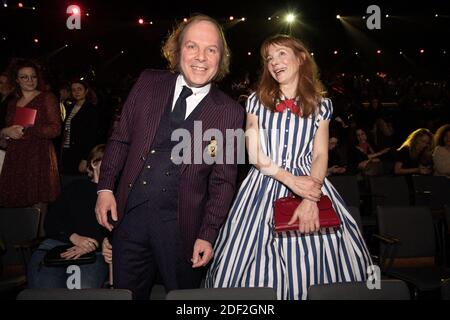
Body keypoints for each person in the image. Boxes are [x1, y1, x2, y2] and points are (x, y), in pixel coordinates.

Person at [205, 34, 372, 300]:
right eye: (269, 58)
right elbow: (254, 152)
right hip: (264, 182)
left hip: (311, 182)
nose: (274, 62)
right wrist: (291, 181)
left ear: (301, 57)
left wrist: (310, 195)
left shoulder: (322, 104)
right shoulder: (256, 100)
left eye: (281, 53)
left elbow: (319, 155)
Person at [95, 14, 244, 300]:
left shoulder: (231, 113)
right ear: (177, 51)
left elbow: (224, 182)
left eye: (211, 49)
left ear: (221, 58)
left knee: (184, 301)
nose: (201, 57)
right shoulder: (148, 82)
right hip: (130, 221)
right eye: (192, 46)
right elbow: (121, 138)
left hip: (182, 231)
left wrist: (208, 233)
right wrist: (104, 188)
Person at [27, 144, 109, 288]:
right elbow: (51, 222)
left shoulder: (117, 194)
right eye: (109, 161)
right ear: (94, 164)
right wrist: (75, 238)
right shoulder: (74, 188)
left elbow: (118, 230)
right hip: (56, 247)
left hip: (93, 253)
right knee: (45, 292)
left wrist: (93, 243)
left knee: (83, 292)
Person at [0, 60, 60, 236]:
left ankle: (37, 248)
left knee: (38, 204)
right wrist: (5, 131)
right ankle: (17, 250)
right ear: (16, 80)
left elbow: (55, 129)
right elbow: (7, 132)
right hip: (16, 156)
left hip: (38, 155)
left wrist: (27, 127)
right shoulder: (13, 102)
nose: (29, 80)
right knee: (16, 204)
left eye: (33, 76)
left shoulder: (47, 97)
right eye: (24, 77)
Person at [60, 80, 100, 174]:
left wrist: (86, 158)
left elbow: (92, 136)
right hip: (67, 150)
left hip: (80, 153)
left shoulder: (91, 110)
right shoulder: (69, 107)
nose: (76, 92)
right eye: (73, 90)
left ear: (86, 91)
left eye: (79, 89)